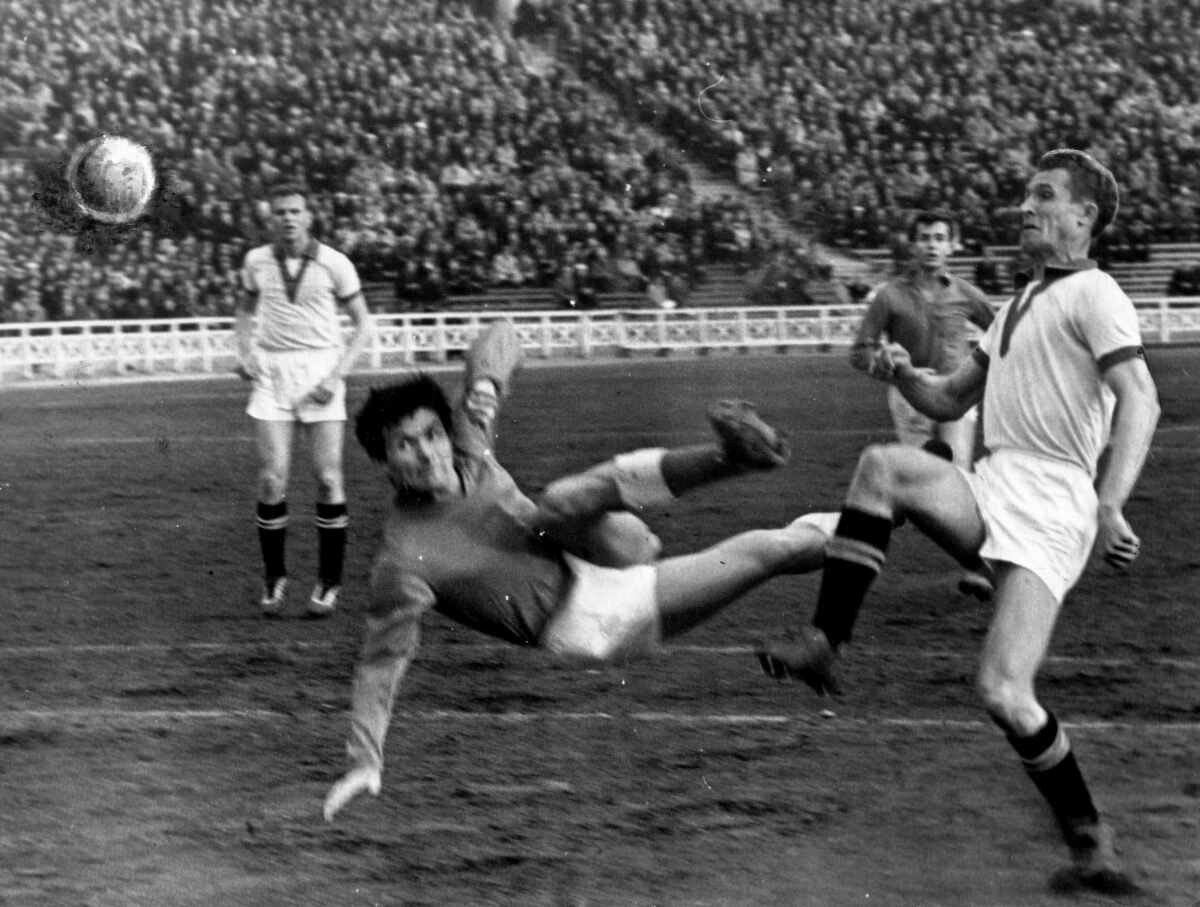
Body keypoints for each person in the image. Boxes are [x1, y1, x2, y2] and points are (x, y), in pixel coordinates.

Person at [758, 150, 1160, 895]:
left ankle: (1090, 840)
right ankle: (823, 643)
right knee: (884, 467)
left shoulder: (1097, 293)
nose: (1026, 207)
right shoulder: (1015, 305)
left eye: (1044, 195)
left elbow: (1141, 398)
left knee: (1005, 691)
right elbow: (947, 400)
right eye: (1026, 195)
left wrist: (1110, 504)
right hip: (996, 481)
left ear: (1084, 216)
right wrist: (903, 374)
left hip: (1055, 504)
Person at [322, 319, 835, 821]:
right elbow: (380, 665)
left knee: (559, 501)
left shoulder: (467, 449)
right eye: (404, 446)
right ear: (384, 463)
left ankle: (736, 460)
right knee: (772, 549)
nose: (426, 453)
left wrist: (485, 385)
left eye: (432, 434)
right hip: (594, 618)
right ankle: (858, 522)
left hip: (602, 553)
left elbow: (500, 334)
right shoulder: (402, 557)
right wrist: (364, 761)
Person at [234, 182, 374, 618]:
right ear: (271, 219)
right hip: (273, 372)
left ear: (309, 217)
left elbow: (364, 324)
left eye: (295, 211)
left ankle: (329, 581)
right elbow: (244, 313)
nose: (288, 219)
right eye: (280, 212)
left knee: (328, 479)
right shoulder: (256, 261)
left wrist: (337, 375)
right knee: (272, 479)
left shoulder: (335, 263)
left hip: (321, 371)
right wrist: (246, 353)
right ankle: (274, 577)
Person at [850, 209, 997, 599]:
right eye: (925, 238)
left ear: (952, 245)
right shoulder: (889, 295)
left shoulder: (966, 294)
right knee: (928, 486)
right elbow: (859, 351)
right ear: (913, 245)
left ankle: (978, 566)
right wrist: (883, 364)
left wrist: (984, 369)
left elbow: (1002, 333)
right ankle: (916, 506)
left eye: (939, 238)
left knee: (959, 478)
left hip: (956, 394)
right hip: (909, 397)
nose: (932, 245)